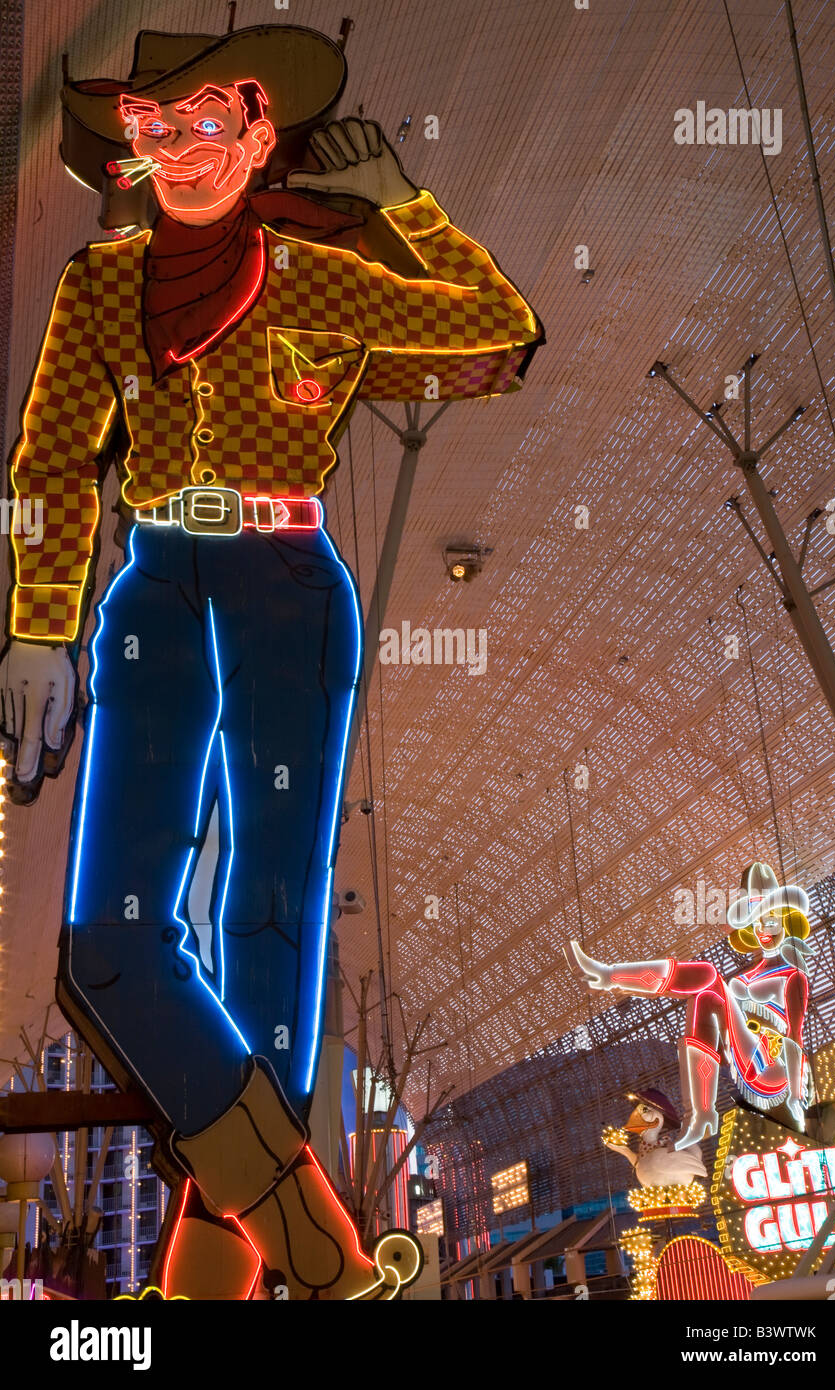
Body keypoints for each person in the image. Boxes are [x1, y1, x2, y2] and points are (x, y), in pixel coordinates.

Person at [0, 23, 542, 1298]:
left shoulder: (315, 277)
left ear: (257, 137)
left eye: (204, 122)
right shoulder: (97, 288)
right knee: (113, 947)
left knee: (267, 930)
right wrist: (38, 625)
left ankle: (203, 1288)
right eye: (151, 128)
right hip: (150, 590)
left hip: (286, 587)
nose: (178, 151)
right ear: (128, 153)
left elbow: (498, 331)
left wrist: (401, 201)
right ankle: (314, 1248)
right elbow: (53, 458)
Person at [567, 862, 814, 1148]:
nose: (763, 930)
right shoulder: (745, 978)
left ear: (786, 921)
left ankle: (609, 975)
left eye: (770, 921)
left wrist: (797, 1097)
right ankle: (701, 1115)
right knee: (705, 995)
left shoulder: (792, 974)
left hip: (775, 1067)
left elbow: (795, 1037)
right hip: (747, 1055)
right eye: (757, 923)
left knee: (708, 977)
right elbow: (721, 1028)